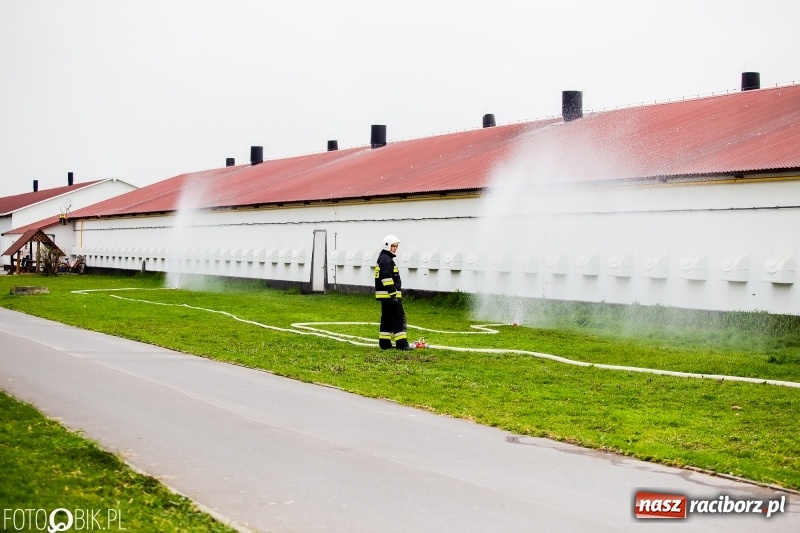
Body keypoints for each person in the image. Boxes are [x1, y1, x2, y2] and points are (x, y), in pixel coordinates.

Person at [374, 234, 414, 350]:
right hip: (390, 296)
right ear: (387, 246)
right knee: (398, 317)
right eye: (393, 246)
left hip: (386, 296)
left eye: (396, 246)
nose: (395, 248)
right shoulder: (386, 260)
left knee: (386, 318)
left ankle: (385, 343)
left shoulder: (384, 258)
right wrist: (393, 295)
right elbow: (386, 278)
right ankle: (402, 344)